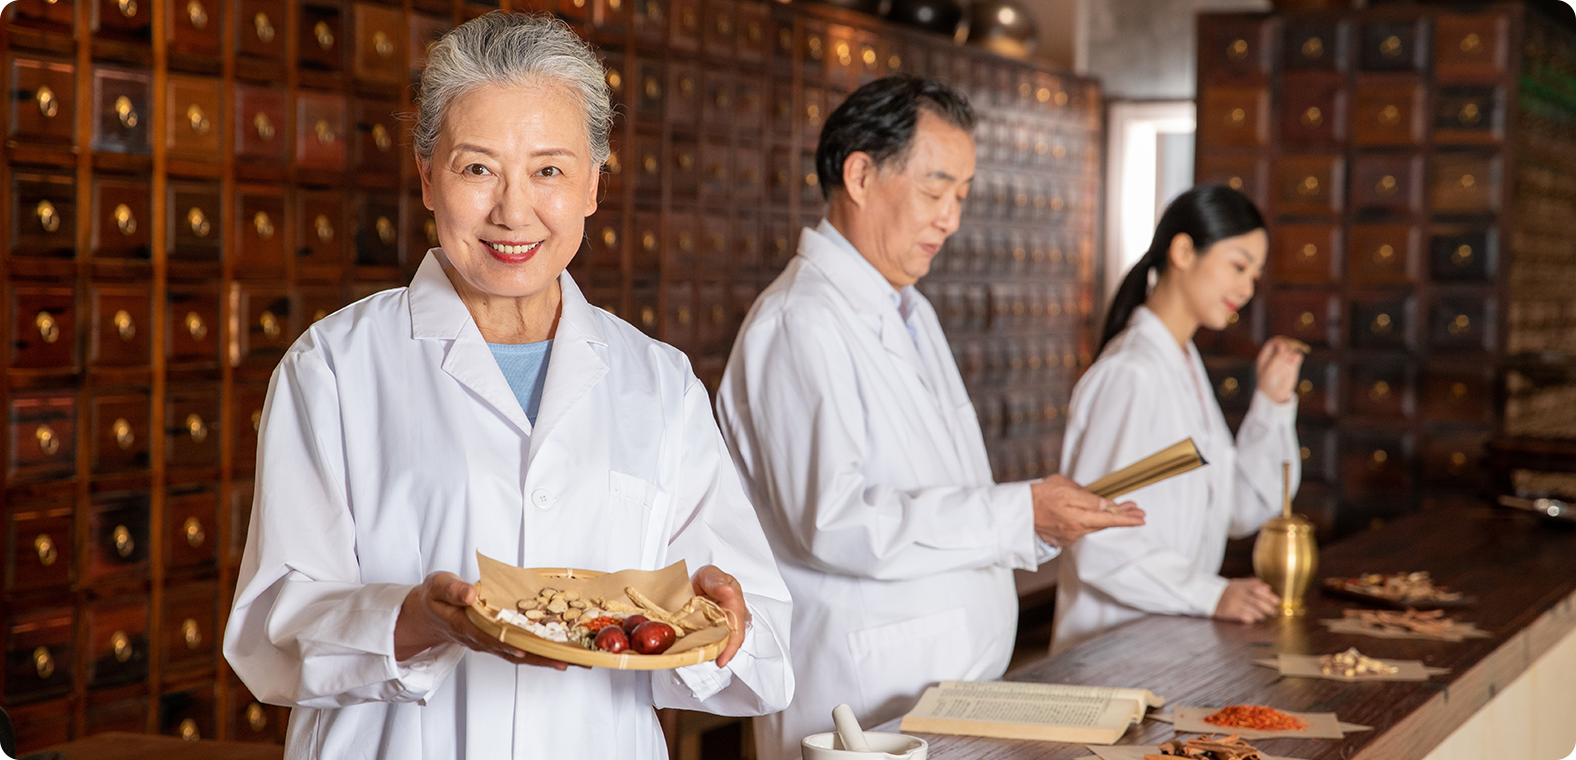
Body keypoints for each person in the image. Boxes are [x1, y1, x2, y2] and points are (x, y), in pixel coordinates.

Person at [223, 14, 793, 759]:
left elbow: (765, 653)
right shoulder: (334, 366)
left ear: (594, 183)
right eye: (477, 168)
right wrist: (418, 619)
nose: (512, 211)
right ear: (428, 176)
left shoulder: (659, 383)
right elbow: (272, 632)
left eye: (549, 170)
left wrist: (726, 629)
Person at [715, 75, 1146, 760]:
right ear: (860, 175)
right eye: (935, 190)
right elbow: (835, 520)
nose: (951, 218)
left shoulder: (909, 309)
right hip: (861, 703)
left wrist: (1033, 522)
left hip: (943, 693)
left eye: (962, 197)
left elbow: (943, 487)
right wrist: (1018, 514)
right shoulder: (802, 322)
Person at [1051, 186, 1304, 655]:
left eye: (1255, 274)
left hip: (1164, 646)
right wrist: (1212, 595)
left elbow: (1242, 510)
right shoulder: (1132, 373)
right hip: (1110, 655)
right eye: (1238, 265)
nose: (1247, 289)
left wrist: (1272, 405)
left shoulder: (1183, 365)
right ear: (1184, 251)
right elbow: (1096, 541)